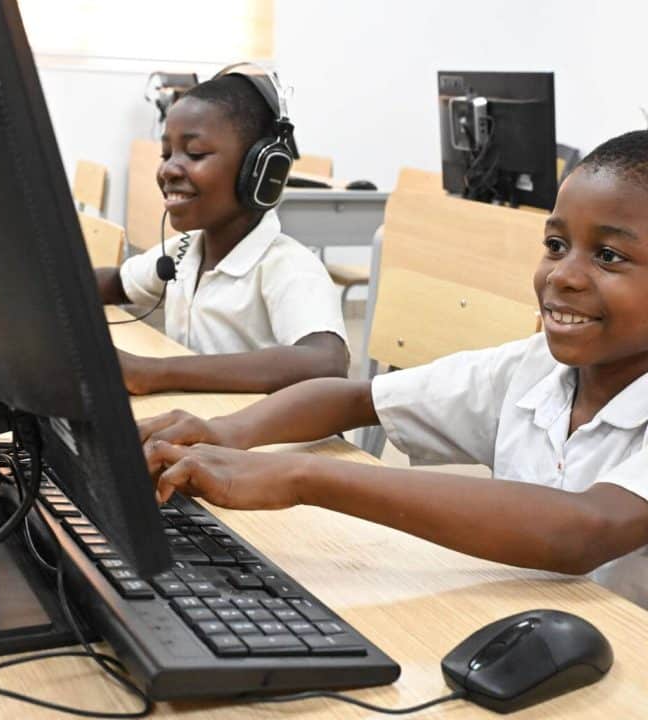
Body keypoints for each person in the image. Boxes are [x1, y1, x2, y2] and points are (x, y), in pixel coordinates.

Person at [139, 129, 648, 606]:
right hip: (528, 620)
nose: (562, 275)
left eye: (607, 255)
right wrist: (225, 431)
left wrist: (300, 475)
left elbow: (584, 529)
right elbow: (355, 398)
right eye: (556, 246)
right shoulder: (533, 368)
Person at [97, 70, 348, 394]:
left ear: (259, 170)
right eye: (166, 153)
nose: (168, 169)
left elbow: (326, 363)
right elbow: (116, 283)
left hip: (262, 441)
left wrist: (156, 372)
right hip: (201, 426)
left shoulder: (288, 268)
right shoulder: (184, 251)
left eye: (196, 154)